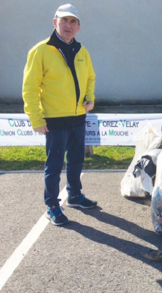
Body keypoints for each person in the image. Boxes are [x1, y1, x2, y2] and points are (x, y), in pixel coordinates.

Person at [22, 4, 97, 226]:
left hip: (78, 118)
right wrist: (36, 119)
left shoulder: (82, 51)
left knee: (76, 161)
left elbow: (90, 77)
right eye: (64, 20)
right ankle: (52, 205)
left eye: (73, 21)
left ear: (78, 27)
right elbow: (30, 88)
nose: (68, 25)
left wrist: (90, 98)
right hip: (54, 121)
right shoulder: (41, 51)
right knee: (54, 166)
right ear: (55, 22)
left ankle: (74, 195)